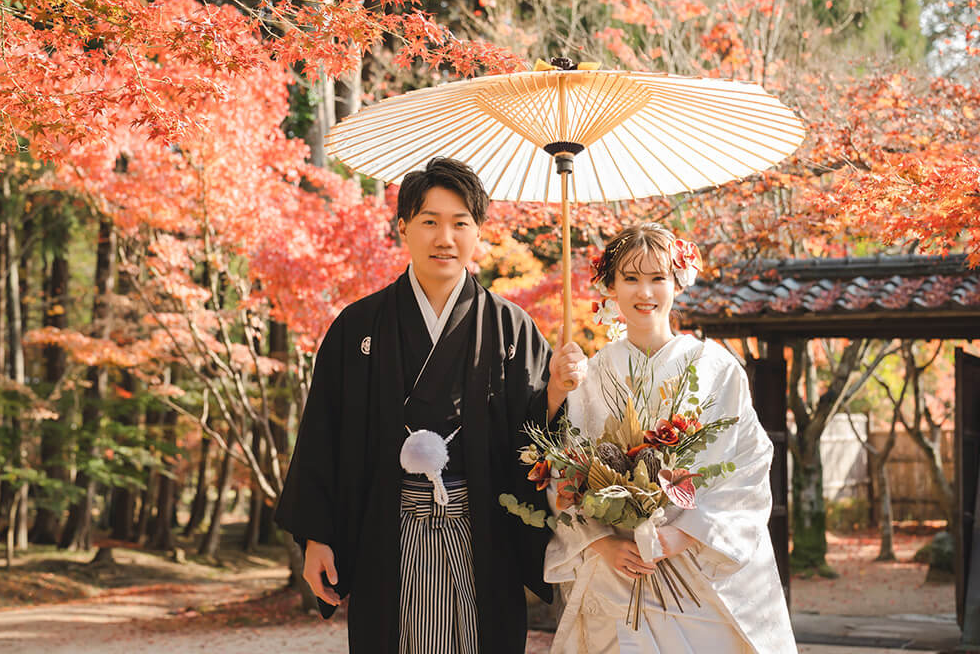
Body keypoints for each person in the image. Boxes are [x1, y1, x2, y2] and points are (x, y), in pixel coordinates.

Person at [275, 157, 588, 654]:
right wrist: (317, 536)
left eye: (461, 223)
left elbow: (538, 446)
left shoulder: (512, 327)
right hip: (387, 530)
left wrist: (554, 395)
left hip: (482, 532)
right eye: (430, 222)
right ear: (403, 227)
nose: (446, 237)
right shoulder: (358, 327)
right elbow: (322, 437)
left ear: (478, 231)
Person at [543, 222, 797, 654]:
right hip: (619, 569)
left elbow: (748, 465)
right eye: (631, 278)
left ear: (677, 282)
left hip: (696, 562)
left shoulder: (716, 367)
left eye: (658, 278)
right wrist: (602, 543)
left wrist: (684, 536)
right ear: (611, 287)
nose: (645, 292)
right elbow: (566, 470)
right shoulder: (591, 374)